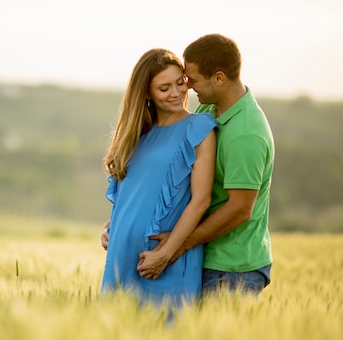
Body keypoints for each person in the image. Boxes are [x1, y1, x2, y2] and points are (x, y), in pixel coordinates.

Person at [135, 34, 275, 297]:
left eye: (193, 79)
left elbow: (239, 209)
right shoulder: (209, 112)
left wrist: (176, 247)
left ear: (219, 78)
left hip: (233, 268)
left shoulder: (246, 133)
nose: (187, 87)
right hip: (205, 257)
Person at [100, 48, 216, 312]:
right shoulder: (136, 134)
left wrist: (164, 255)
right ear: (146, 92)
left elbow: (201, 200)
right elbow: (131, 194)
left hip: (165, 262)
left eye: (180, 83)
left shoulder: (199, 129)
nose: (176, 93)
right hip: (121, 258)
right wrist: (109, 228)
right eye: (164, 88)